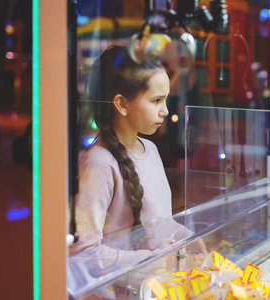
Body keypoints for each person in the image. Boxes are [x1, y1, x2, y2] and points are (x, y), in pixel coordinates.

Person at [68, 45, 206, 281]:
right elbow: (83, 252)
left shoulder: (150, 149)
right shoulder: (99, 163)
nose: (164, 111)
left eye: (166, 100)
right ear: (121, 104)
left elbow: (159, 223)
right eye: (156, 101)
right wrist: (149, 259)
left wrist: (189, 238)